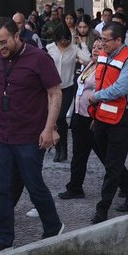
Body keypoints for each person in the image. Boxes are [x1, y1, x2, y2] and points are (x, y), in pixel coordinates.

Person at [0, 18, 65, 255]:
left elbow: (55, 93)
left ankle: (53, 226)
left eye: (4, 42)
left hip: (30, 134)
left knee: (33, 183)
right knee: (1, 186)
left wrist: (50, 129)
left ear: (17, 35)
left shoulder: (39, 58)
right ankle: (3, 238)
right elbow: (4, 91)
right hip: (2, 133)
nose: (0, 47)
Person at [87, 22, 128, 221]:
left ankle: (102, 208)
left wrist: (96, 96)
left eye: (105, 40)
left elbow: (120, 89)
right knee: (110, 161)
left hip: (122, 116)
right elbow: (98, 79)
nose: (101, 44)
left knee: (113, 164)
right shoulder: (104, 55)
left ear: (119, 40)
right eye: (101, 39)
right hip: (103, 113)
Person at [60, 39, 104, 199]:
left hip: (92, 117)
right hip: (79, 114)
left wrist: (97, 117)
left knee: (105, 155)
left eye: (100, 48)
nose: (95, 51)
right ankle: (75, 187)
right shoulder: (90, 64)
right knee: (78, 155)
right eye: (94, 47)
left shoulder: (104, 68)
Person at [46, 24, 88, 163]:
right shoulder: (49, 48)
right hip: (52, 87)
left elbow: (87, 60)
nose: (64, 42)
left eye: (66, 39)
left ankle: (62, 148)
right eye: (61, 39)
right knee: (57, 118)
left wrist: (83, 44)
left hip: (67, 87)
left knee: (60, 116)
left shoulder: (74, 48)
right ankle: (59, 147)